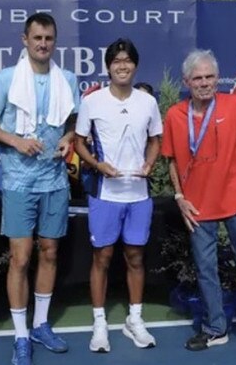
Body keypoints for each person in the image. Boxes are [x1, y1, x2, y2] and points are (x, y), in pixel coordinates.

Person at [161, 49, 236, 364]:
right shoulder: (175, 116)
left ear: (217, 78)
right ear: (186, 82)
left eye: (210, 77)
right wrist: (180, 198)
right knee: (206, 272)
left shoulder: (234, 105)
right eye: (198, 78)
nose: (205, 83)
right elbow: (171, 161)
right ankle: (214, 328)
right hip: (198, 210)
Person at [0, 13, 80, 365]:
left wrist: (68, 140)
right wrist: (16, 140)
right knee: (20, 258)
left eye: (49, 38)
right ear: (25, 40)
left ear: (55, 42)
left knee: (51, 251)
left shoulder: (67, 79)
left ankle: (41, 324)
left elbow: (73, 121)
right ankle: (21, 334)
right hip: (17, 181)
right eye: (37, 38)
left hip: (54, 180)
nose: (43, 44)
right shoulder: (7, 78)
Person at [74, 38, 161, 353]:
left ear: (135, 65)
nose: (122, 65)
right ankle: (100, 323)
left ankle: (134, 320)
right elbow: (79, 142)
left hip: (138, 194)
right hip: (105, 193)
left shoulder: (147, 102)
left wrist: (150, 163)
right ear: (108, 67)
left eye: (127, 60)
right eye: (116, 61)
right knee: (103, 257)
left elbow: (155, 139)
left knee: (135, 256)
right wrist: (97, 164)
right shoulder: (92, 101)